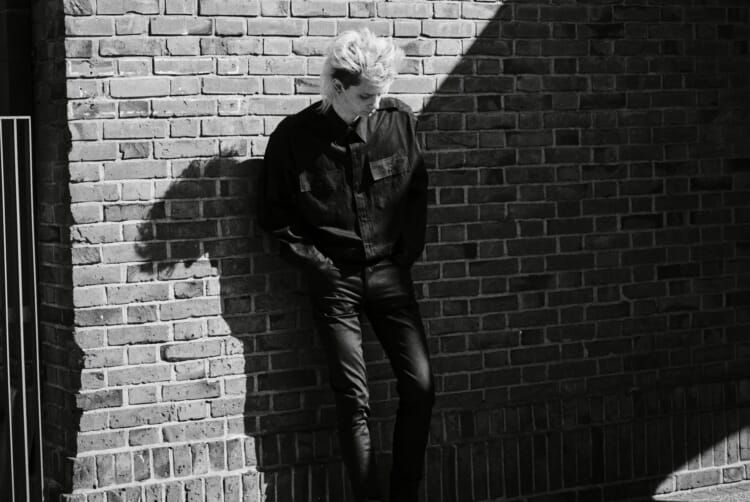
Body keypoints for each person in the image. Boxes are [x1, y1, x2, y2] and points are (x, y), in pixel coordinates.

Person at [258, 29, 435, 502]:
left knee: (421, 386)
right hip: (335, 280)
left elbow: (416, 191)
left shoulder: (398, 121)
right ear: (337, 87)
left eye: (381, 94)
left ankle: (405, 494)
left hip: (390, 273)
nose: (375, 104)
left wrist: (405, 255)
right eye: (366, 96)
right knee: (354, 400)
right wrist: (321, 268)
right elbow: (274, 216)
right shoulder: (293, 139)